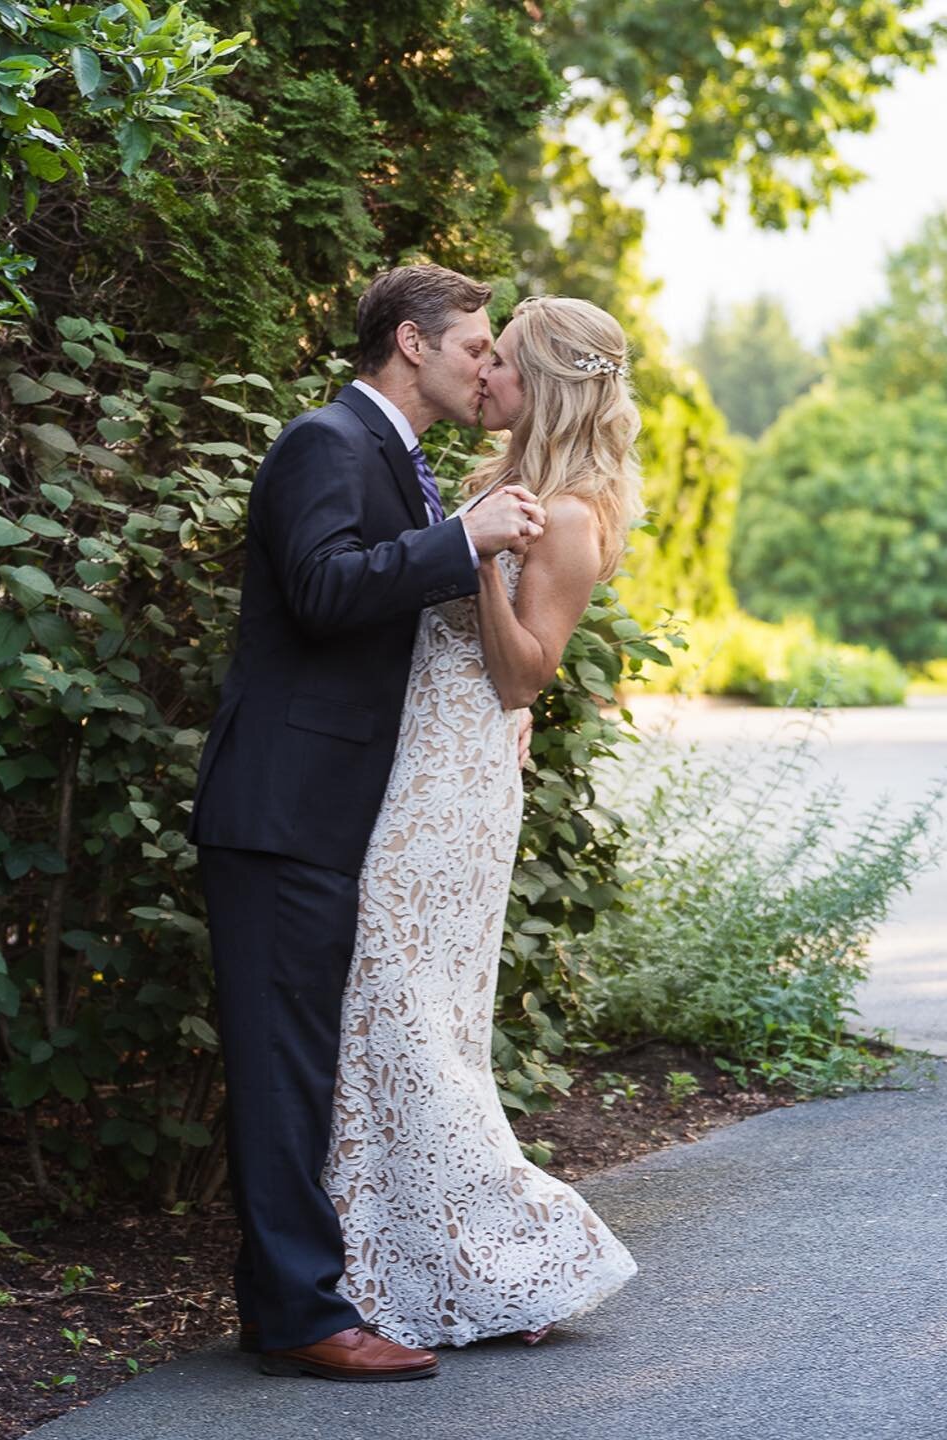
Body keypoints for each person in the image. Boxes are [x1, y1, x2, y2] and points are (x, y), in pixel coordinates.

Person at [187, 265, 547, 1383]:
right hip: (283, 808)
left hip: (337, 810)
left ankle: (302, 1299)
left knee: (311, 1061)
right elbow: (325, 589)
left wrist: (493, 718)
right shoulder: (326, 442)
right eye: (475, 346)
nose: (487, 365)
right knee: (286, 1066)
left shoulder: (397, 456)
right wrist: (468, 540)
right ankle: (301, 1319)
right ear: (410, 343)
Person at [321, 295, 643, 1351]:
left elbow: (522, 677)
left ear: (537, 384)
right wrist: (469, 532)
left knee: (408, 1000)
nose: (482, 374)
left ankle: (524, 1254)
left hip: (459, 775)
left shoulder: (576, 515)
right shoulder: (486, 482)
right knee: (389, 1006)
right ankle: (389, 1264)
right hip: (410, 753)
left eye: (499, 362)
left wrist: (477, 560)